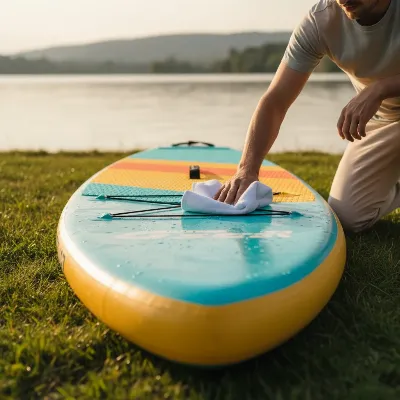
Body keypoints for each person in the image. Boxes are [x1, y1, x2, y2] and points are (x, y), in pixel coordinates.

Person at [214, 0, 400, 233]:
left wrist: (380, 89)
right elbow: (275, 101)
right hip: (383, 124)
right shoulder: (321, 20)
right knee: (349, 217)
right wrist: (247, 169)